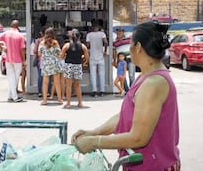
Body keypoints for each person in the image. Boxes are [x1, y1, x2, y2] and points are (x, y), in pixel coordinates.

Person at [72, 22, 180, 171]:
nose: (129, 50)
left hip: (153, 166)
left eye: (130, 45)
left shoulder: (154, 83)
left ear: (138, 48)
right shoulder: (145, 76)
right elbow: (126, 116)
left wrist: (95, 141)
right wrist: (94, 132)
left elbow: (139, 137)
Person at [0, 20, 26, 102]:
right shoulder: (20, 36)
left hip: (8, 59)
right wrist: (24, 60)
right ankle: (15, 97)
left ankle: (10, 95)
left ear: (11, 25)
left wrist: (2, 48)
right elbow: (22, 49)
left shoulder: (6, 33)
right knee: (15, 78)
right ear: (18, 27)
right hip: (18, 60)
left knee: (11, 77)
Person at [60, 29, 89, 108]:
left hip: (68, 65)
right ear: (79, 36)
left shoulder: (66, 45)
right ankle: (80, 102)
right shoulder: (83, 46)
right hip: (78, 65)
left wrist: (66, 55)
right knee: (77, 85)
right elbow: (87, 58)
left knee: (68, 85)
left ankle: (68, 103)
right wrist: (82, 57)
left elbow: (61, 56)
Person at [38, 27, 62, 105]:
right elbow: (59, 53)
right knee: (57, 82)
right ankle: (59, 99)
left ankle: (44, 100)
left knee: (45, 83)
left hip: (46, 64)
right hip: (55, 64)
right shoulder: (55, 42)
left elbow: (39, 54)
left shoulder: (42, 43)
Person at [86, 25, 108, 97]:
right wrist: (105, 51)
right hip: (100, 56)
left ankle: (94, 91)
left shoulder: (89, 35)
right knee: (102, 74)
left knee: (93, 74)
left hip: (92, 56)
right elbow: (106, 42)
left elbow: (88, 45)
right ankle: (102, 91)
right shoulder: (102, 34)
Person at [113, 27, 135, 93]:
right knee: (122, 76)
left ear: (123, 32)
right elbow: (114, 52)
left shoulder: (128, 38)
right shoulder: (114, 41)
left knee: (131, 75)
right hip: (121, 61)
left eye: (120, 31)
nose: (119, 33)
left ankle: (132, 90)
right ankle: (127, 91)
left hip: (130, 58)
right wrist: (115, 61)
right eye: (118, 31)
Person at [32, 26, 51, 97]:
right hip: (49, 61)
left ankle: (40, 92)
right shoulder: (52, 41)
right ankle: (48, 92)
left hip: (40, 60)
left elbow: (35, 51)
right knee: (48, 76)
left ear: (42, 33)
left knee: (40, 76)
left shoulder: (38, 41)